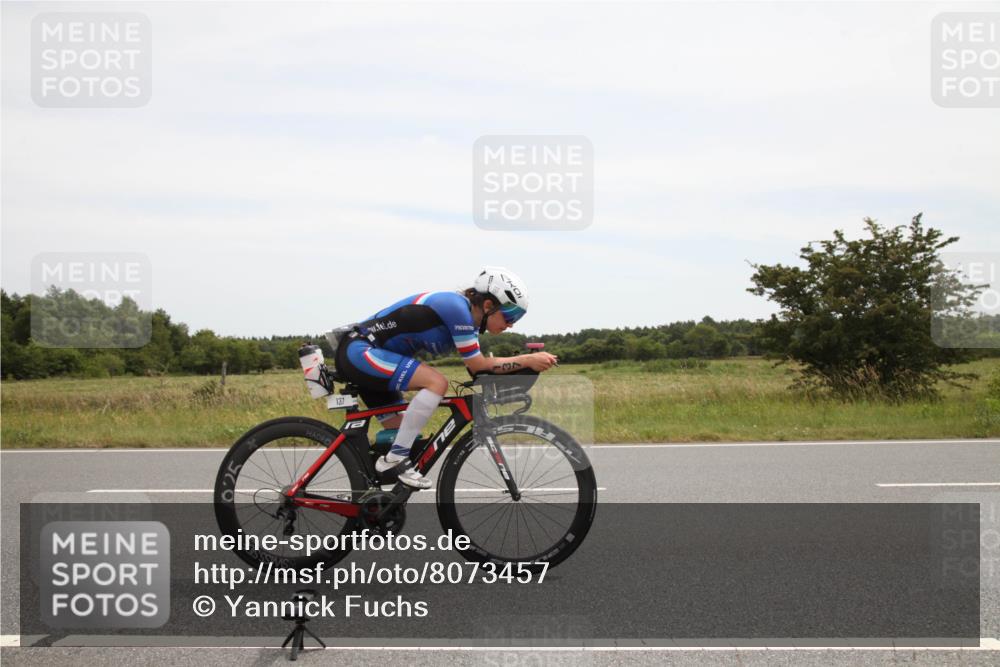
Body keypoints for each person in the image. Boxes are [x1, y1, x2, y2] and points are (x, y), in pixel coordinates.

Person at [333, 266, 558, 489]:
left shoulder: (468, 322)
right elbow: (478, 365)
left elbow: (477, 371)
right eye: (509, 316)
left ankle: (371, 498)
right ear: (488, 305)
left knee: (403, 436)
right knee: (436, 383)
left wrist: (523, 367)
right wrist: (528, 360)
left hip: (373, 356)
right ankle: (393, 461)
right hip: (361, 351)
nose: (510, 325)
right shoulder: (456, 309)